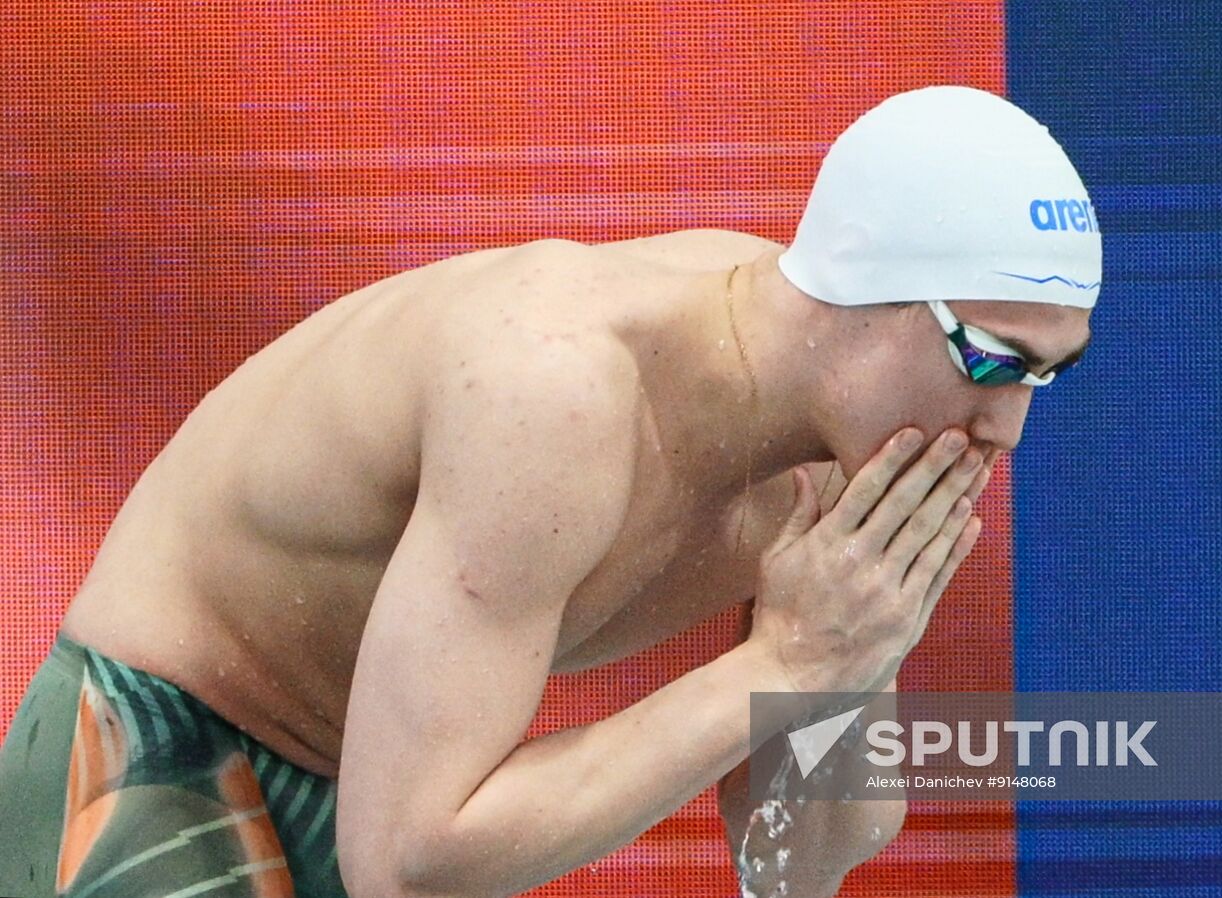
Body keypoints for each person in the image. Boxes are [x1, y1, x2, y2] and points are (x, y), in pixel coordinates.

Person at [0, 85, 1098, 898]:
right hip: (162, 732)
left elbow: (796, 866)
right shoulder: (561, 386)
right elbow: (411, 862)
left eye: (1050, 371)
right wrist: (782, 667)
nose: (1005, 424)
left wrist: (858, 651)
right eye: (990, 358)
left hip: (367, 785)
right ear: (863, 294)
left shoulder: (852, 442)